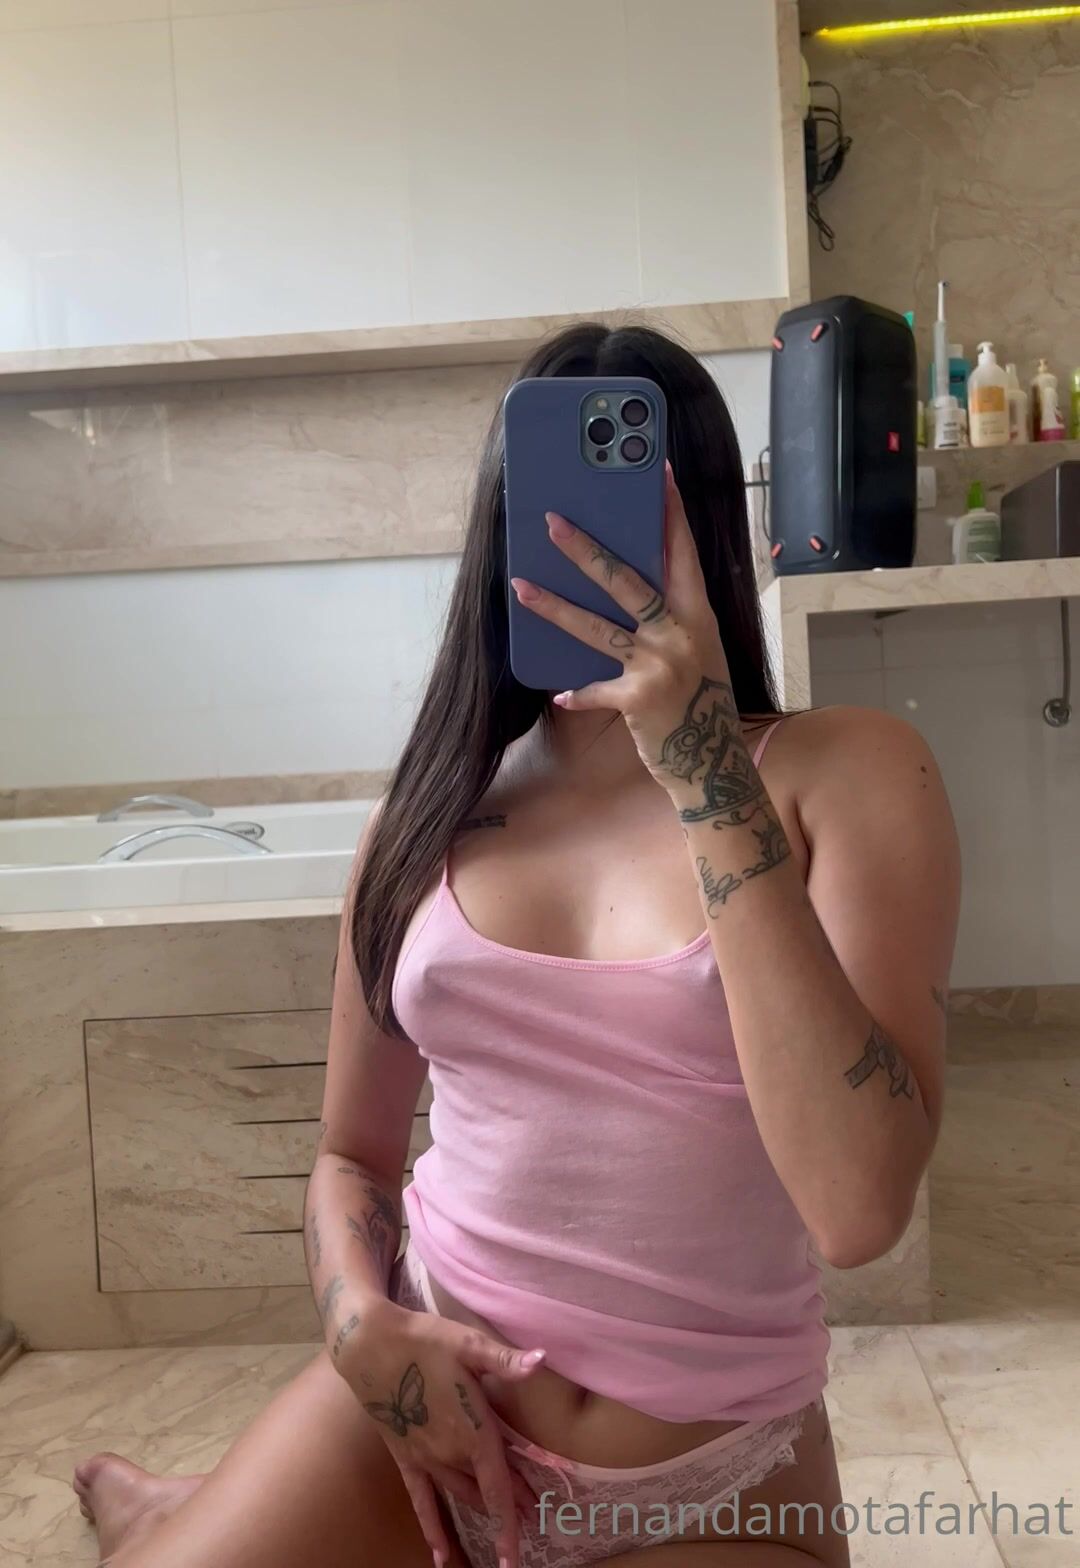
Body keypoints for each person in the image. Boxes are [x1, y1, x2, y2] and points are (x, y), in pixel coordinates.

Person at [73, 323, 960, 1568]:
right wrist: (358, 1326)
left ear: (704, 522)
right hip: (423, 1428)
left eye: (634, 503)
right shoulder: (427, 814)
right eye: (551, 501)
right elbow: (350, 1154)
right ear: (504, 523)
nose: (594, 539)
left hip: (709, 1479)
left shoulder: (848, 770)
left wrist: (703, 763)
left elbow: (858, 1208)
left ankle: (182, 1503)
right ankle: (174, 1511)